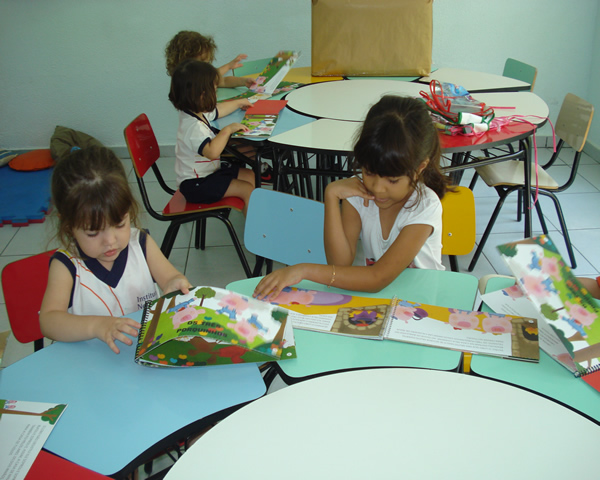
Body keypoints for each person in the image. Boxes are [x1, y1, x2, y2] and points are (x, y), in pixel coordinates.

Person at [253, 95, 450, 300]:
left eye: (392, 180)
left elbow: (377, 278)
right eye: (369, 172)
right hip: (380, 302)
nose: (378, 189)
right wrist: (331, 195)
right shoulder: (357, 191)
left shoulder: (425, 206)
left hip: (422, 305)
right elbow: (339, 264)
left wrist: (303, 270)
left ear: (420, 167)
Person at [39, 146, 192, 354]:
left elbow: (170, 278)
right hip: (91, 362)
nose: (110, 241)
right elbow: (48, 321)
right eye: (93, 233)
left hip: (142, 356)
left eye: (120, 224)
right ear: (68, 226)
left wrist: (175, 283)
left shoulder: (141, 243)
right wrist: (97, 326)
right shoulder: (66, 265)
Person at [169, 59, 255, 213]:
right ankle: (255, 226)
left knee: (249, 175)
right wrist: (227, 130)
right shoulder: (192, 127)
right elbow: (212, 152)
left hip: (208, 174)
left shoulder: (194, 111)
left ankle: (252, 214)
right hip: (196, 185)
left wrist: (239, 102)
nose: (216, 95)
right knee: (246, 189)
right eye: (214, 91)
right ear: (201, 95)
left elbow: (218, 110)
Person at [165, 30, 253, 88]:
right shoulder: (189, 88)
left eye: (207, 63)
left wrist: (244, 81)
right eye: (202, 63)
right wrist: (237, 103)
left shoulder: (202, 77)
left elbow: (223, 81)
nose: (206, 68)